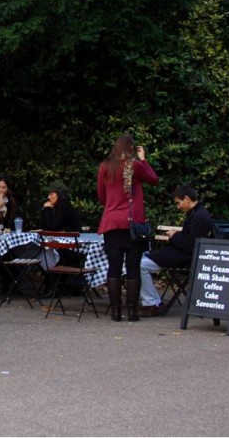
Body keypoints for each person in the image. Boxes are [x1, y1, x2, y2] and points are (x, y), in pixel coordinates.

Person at [97, 134, 159, 322]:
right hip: (133, 224)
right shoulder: (135, 166)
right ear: (132, 148)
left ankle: (116, 310)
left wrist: (112, 207)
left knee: (114, 268)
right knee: (133, 268)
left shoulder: (105, 166)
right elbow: (154, 180)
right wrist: (144, 159)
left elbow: (101, 195)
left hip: (111, 222)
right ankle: (132, 311)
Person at [138, 185, 213, 317]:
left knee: (140, 264)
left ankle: (152, 303)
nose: (178, 207)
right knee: (142, 259)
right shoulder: (199, 213)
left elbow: (191, 245)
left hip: (186, 257)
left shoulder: (199, 217)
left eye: (178, 203)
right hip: (184, 254)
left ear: (187, 199)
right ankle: (153, 302)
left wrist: (174, 236)